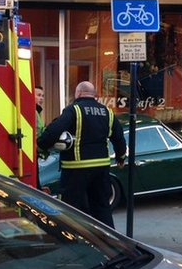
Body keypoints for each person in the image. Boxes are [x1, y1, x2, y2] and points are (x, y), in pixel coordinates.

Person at [37, 81, 126, 228]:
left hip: (76, 168)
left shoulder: (73, 110)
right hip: (101, 168)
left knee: (72, 209)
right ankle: (109, 242)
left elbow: (53, 131)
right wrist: (121, 157)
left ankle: (75, 241)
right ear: (94, 95)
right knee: (102, 207)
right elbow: (118, 137)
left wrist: (40, 146)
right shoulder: (108, 112)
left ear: (78, 93)